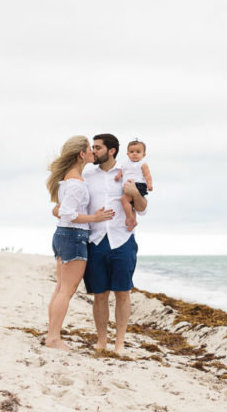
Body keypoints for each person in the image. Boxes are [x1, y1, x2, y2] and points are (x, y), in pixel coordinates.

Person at [45, 135, 115, 351]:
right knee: (66, 290)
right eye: (89, 149)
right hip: (73, 236)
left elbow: (59, 210)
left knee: (60, 289)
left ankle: (52, 334)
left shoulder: (69, 179)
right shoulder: (76, 182)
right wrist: (94, 218)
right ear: (81, 155)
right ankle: (54, 338)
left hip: (64, 235)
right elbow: (66, 213)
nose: (93, 152)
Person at [84, 133, 147, 354]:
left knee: (123, 292)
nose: (93, 151)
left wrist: (134, 194)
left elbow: (142, 208)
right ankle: (102, 342)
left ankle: (119, 343)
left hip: (123, 239)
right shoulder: (87, 176)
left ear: (111, 151)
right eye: (92, 147)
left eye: (97, 148)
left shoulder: (128, 172)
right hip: (95, 240)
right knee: (99, 294)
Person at [114, 140, 153, 230]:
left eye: (138, 152)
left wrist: (149, 184)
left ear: (144, 154)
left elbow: (147, 175)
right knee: (130, 206)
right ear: (127, 154)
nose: (134, 154)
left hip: (138, 185)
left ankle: (129, 217)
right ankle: (133, 222)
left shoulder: (142, 164)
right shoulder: (125, 163)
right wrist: (118, 176)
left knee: (124, 199)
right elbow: (122, 171)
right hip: (127, 187)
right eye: (131, 152)